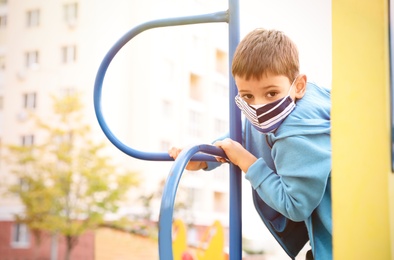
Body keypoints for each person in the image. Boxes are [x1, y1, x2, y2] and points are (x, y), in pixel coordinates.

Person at [169, 28, 331, 260]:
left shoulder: (296, 134)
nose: (259, 108)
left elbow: (295, 205)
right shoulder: (288, 105)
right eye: (247, 96)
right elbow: (246, 133)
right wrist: (205, 157)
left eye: (271, 93)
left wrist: (246, 161)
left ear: (299, 86)